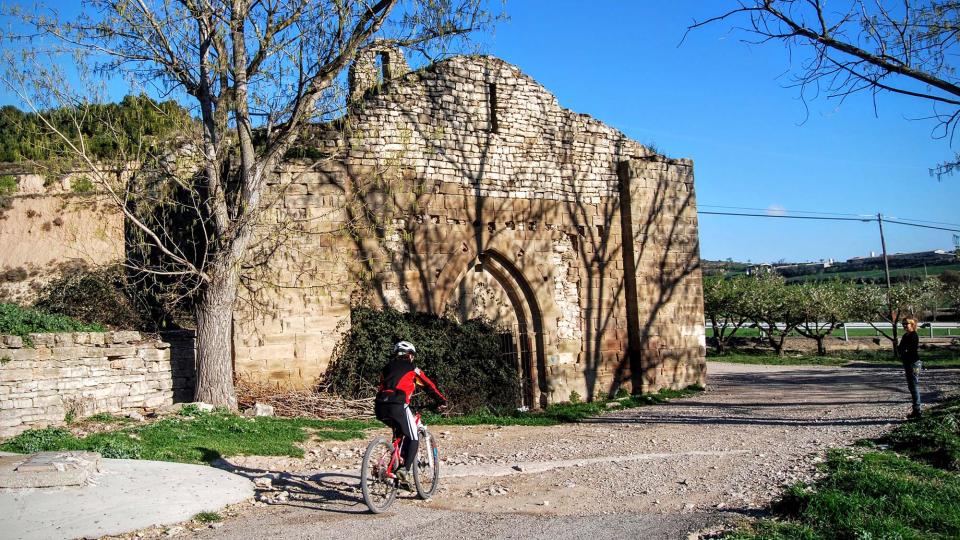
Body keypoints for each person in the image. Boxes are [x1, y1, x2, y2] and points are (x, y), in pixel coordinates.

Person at [374, 340, 446, 488]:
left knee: (400, 433)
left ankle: (394, 466)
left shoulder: (386, 368)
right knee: (413, 437)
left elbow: (382, 385)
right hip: (398, 405)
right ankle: (404, 470)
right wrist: (441, 401)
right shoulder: (412, 368)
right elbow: (428, 385)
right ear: (410, 356)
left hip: (380, 406)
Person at [897, 318, 922, 418]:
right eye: (903, 324)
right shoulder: (905, 335)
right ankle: (916, 410)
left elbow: (911, 350)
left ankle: (917, 411)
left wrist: (903, 350)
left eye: (906, 324)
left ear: (912, 324)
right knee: (911, 386)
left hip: (914, 363)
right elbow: (900, 349)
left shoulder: (913, 335)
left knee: (914, 386)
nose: (904, 326)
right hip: (907, 362)